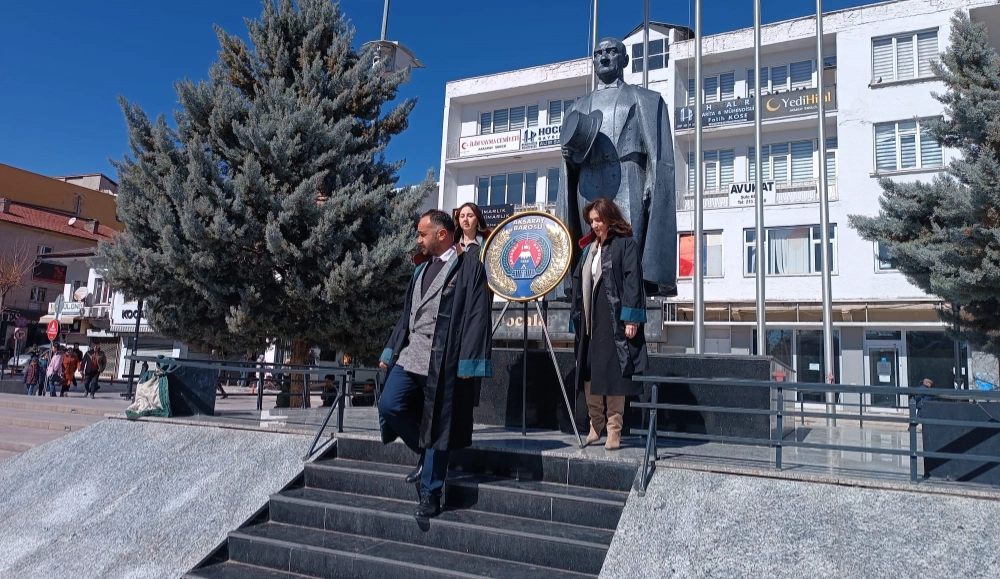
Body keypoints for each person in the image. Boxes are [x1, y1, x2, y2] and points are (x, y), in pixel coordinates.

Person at [377, 209, 492, 518]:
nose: (418, 239)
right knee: (389, 405)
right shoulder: (420, 268)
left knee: (438, 424)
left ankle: (431, 493)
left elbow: (478, 316)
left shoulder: (470, 268)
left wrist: (469, 363)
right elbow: (408, 314)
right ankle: (424, 450)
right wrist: (390, 351)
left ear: (441, 234)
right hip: (411, 355)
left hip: (443, 359)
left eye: (422, 234)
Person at [556, 37, 677, 298]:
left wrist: (651, 180)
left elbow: (658, 155)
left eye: (611, 51)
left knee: (627, 248)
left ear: (624, 59)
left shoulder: (644, 98)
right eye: (598, 53)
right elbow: (570, 163)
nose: (604, 57)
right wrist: (568, 156)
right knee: (592, 249)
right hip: (588, 181)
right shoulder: (577, 107)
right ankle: (592, 302)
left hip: (628, 176)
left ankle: (629, 301)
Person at [570, 198, 648, 450]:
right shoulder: (589, 250)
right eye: (591, 220)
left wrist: (631, 318)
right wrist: (576, 319)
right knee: (588, 370)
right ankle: (596, 424)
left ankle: (614, 429)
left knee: (614, 373)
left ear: (610, 218)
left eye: (598, 219)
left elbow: (633, 281)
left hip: (613, 317)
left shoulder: (625, 245)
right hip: (590, 318)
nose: (594, 225)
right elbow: (579, 285)